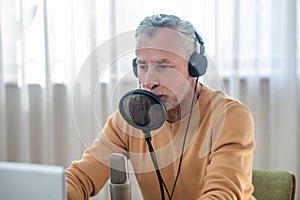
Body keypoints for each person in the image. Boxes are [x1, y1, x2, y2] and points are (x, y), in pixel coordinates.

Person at [66, 14, 256, 200]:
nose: (149, 81)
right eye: (142, 66)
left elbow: (223, 195)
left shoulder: (230, 116)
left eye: (163, 66)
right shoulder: (129, 119)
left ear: (194, 68)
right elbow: (81, 178)